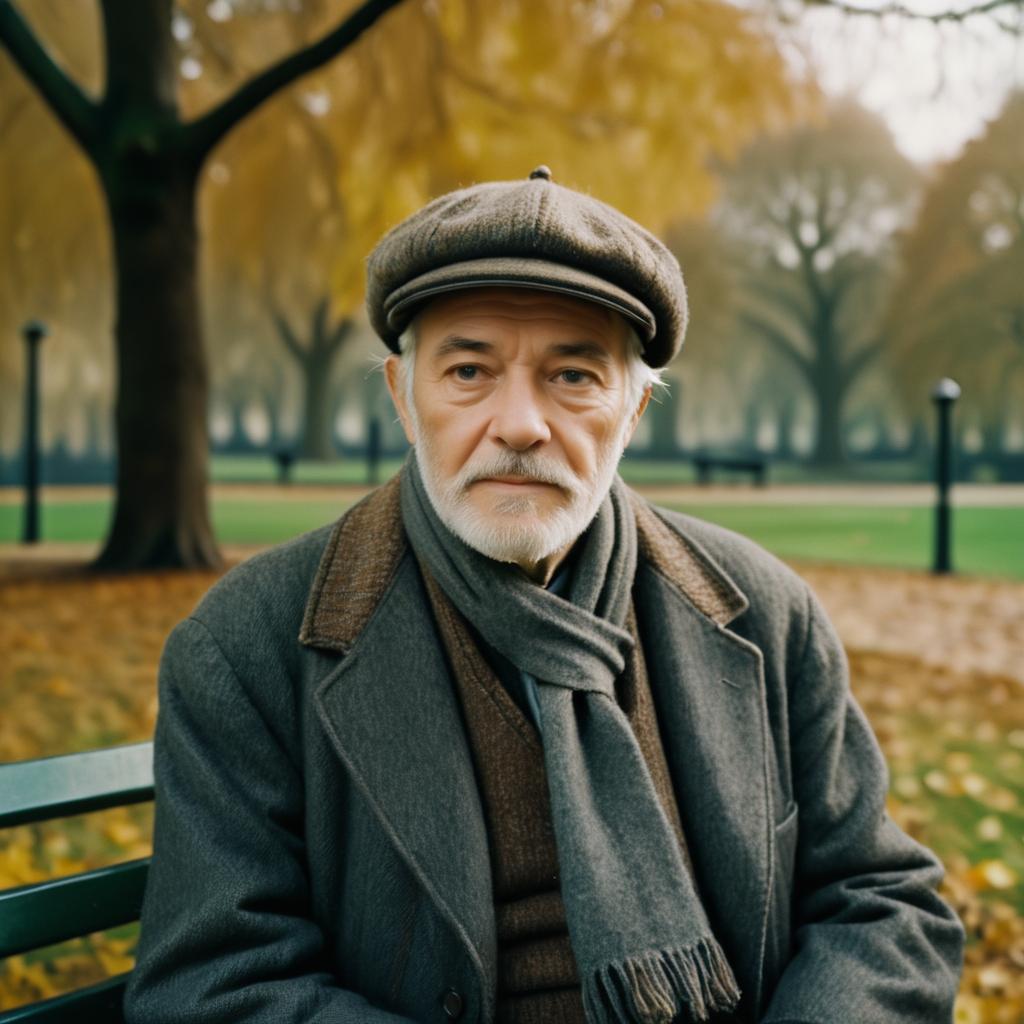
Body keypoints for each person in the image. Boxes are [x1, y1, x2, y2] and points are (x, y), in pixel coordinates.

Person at [124, 167, 964, 1024]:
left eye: (572, 375)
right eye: (468, 371)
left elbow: (883, 903)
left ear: (632, 412)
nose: (520, 423)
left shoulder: (765, 612)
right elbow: (214, 987)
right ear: (403, 399)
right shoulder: (247, 645)